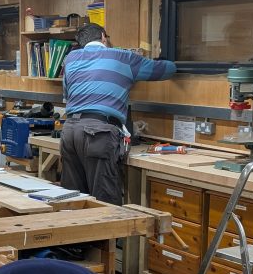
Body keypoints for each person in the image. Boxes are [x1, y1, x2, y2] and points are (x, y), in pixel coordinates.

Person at [61, 24, 176, 205]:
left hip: (69, 131)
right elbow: (167, 70)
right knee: (104, 200)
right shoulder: (123, 57)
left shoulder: (70, 59)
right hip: (98, 133)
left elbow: (68, 95)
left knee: (72, 200)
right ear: (103, 37)